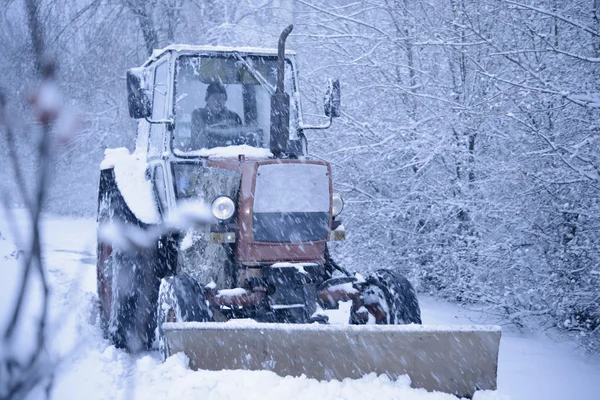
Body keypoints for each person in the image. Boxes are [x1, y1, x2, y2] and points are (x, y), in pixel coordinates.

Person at [191, 82, 242, 149]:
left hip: (229, 155)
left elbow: (240, 143)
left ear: (225, 100)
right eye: (215, 97)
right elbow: (196, 142)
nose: (218, 101)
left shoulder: (234, 117)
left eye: (222, 98)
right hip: (204, 156)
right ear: (207, 99)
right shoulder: (199, 115)